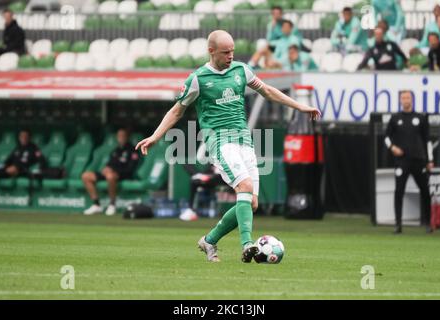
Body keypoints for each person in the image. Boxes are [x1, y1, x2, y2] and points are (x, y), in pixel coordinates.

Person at [135, 30, 321, 263]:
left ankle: (209, 241)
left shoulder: (241, 70)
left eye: (232, 51)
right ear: (211, 51)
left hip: (244, 140)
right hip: (220, 141)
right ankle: (247, 244)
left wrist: (300, 107)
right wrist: (155, 136)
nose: (231, 56)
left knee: (251, 203)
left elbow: (269, 92)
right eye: (225, 52)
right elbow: (176, 111)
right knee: (243, 186)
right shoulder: (197, 79)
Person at [385, 90, 434, 234]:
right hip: (402, 161)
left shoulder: (420, 118)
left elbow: (427, 140)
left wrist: (429, 159)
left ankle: (428, 223)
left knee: (425, 191)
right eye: (403, 97)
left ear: (411, 99)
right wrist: (392, 147)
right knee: (398, 191)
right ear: (400, 100)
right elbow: (386, 137)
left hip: (419, 160)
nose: (405, 100)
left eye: (408, 97)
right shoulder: (395, 118)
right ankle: (398, 224)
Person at [82, 128, 140, 216]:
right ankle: (96, 204)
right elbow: (109, 164)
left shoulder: (132, 150)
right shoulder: (115, 150)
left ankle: (112, 204)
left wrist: (113, 171)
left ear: (127, 137)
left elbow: (130, 169)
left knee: (110, 176)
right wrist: (106, 168)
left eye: (122, 136)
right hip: (110, 173)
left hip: (122, 174)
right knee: (86, 176)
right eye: (119, 136)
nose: (120, 138)